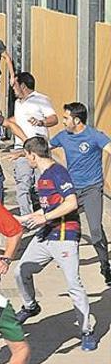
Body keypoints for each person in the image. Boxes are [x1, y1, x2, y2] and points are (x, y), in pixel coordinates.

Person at [13, 137, 95, 350]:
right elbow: (48, 208)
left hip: (65, 236)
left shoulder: (58, 173)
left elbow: (71, 203)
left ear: (32, 155)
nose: (26, 159)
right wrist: (27, 218)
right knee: (20, 270)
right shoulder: (42, 178)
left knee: (73, 284)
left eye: (26, 155)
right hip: (46, 235)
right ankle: (30, 306)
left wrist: (45, 218)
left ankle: (86, 331)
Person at [50, 102, 111, 285]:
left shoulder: (94, 136)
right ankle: (69, 262)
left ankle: (105, 265)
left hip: (92, 189)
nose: (63, 121)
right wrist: (23, 151)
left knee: (95, 230)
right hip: (72, 191)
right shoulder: (63, 136)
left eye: (66, 118)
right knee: (65, 227)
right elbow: (44, 147)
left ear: (76, 120)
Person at [8, 72, 57, 217]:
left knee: (40, 185)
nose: (13, 89)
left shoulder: (41, 99)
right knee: (22, 185)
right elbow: (17, 120)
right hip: (21, 149)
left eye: (15, 85)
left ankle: (44, 215)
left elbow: (54, 119)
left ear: (22, 86)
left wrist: (41, 122)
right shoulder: (17, 103)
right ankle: (27, 218)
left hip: (39, 150)